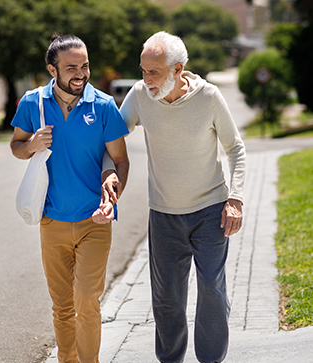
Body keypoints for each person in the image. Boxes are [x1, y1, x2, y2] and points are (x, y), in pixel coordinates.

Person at [101, 31, 246, 363]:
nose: (146, 79)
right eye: (143, 70)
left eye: (154, 72)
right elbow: (111, 139)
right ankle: (170, 359)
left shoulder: (208, 97)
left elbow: (235, 148)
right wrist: (109, 170)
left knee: (211, 287)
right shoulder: (139, 96)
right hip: (164, 214)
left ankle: (210, 358)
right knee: (167, 297)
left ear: (178, 69)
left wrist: (235, 199)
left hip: (211, 210)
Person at [10, 34, 129, 363]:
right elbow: (16, 146)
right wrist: (32, 144)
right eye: (72, 67)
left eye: (85, 66)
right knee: (63, 307)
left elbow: (119, 160)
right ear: (53, 69)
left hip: (95, 221)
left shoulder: (104, 106)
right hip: (52, 221)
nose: (81, 73)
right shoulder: (32, 103)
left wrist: (113, 193)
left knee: (87, 300)